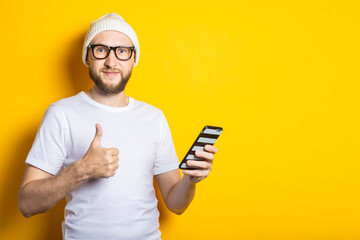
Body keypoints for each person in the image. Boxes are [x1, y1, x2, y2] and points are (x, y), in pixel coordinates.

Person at [18, 13, 218, 240]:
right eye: (101, 50)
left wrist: (190, 181)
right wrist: (80, 170)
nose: (111, 62)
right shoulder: (61, 114)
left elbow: (176, 203)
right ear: (87, 57)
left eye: (122, 51)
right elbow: (27, 204)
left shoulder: (154, 118)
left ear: (134, 59)